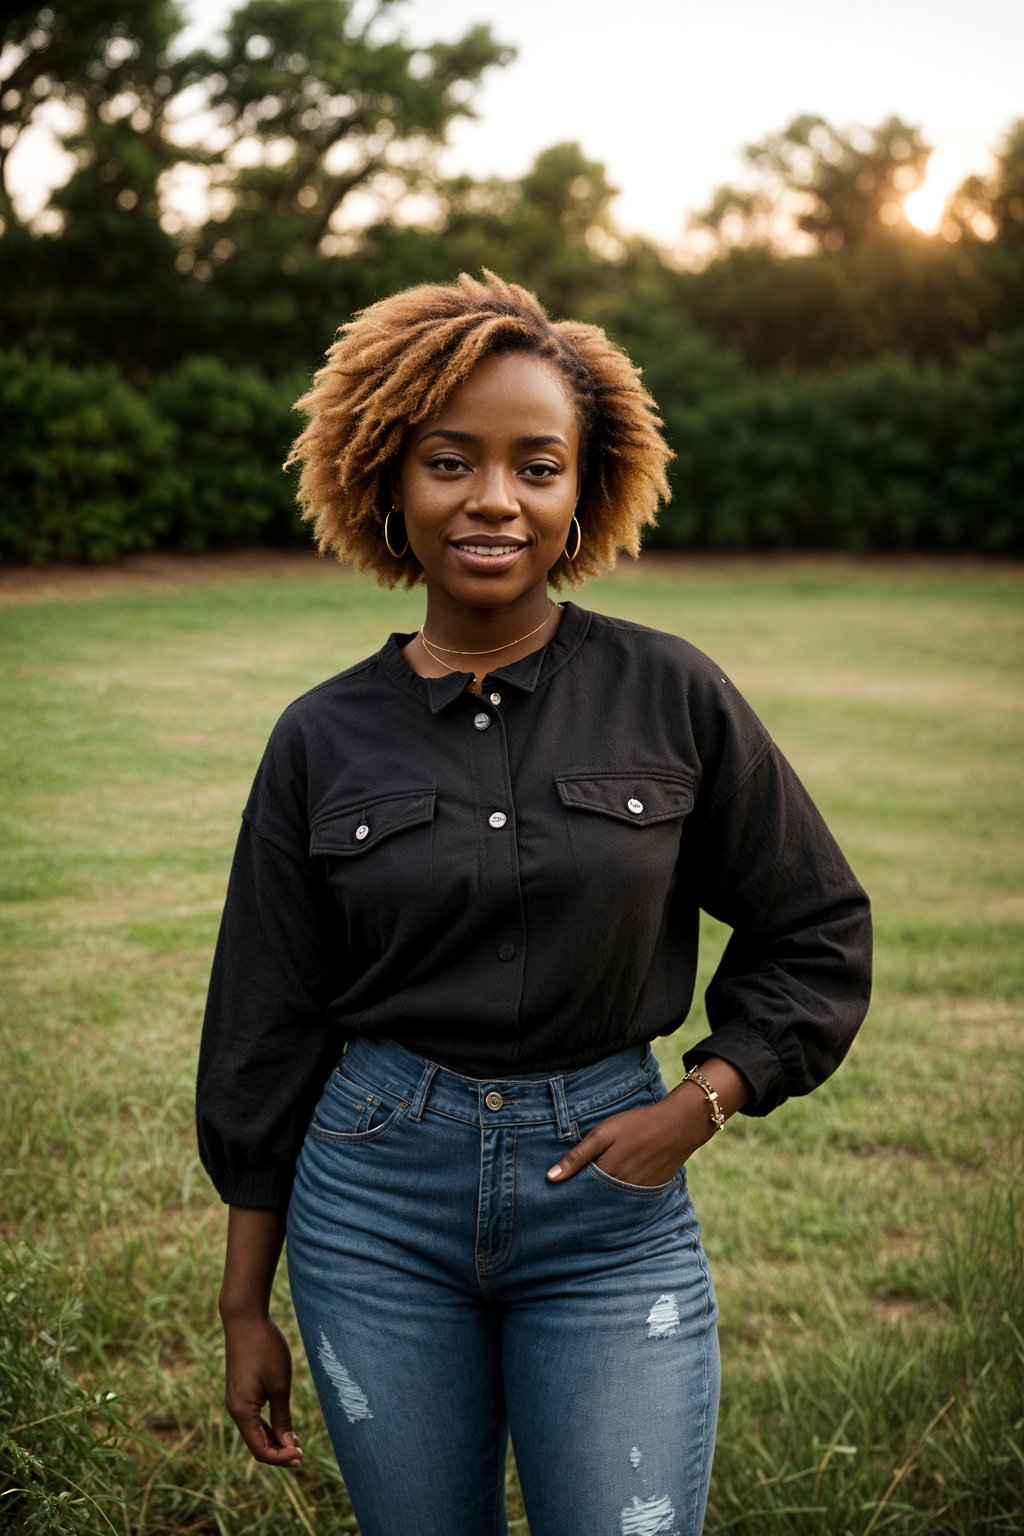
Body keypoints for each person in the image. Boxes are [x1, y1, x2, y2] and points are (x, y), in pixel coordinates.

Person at [196, 271, 872, 1536]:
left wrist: (702, 1099)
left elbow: (815, 926)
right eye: (451, 462)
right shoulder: (319, 738)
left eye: (536, 465)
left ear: (583, 490)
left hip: (610, 1209)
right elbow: (262, 1024)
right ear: (390, 484)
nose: (494, 499)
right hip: (374, 1207)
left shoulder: (671, 692)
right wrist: (245, 1306)